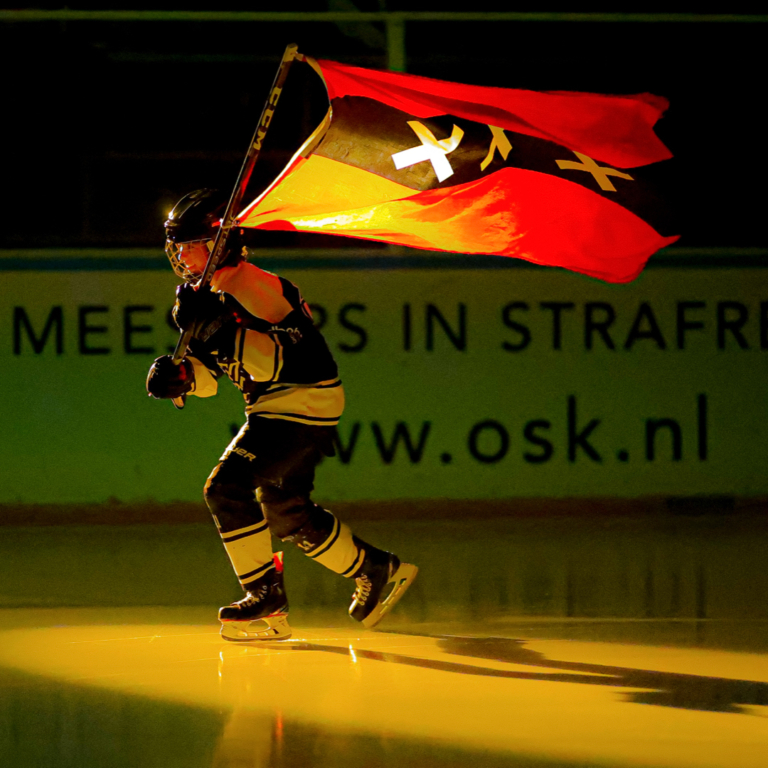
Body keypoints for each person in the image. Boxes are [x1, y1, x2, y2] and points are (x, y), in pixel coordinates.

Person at [146, 188, 417, 641]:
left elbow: (275, 362)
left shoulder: (254, 286)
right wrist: (182, 377)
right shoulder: (206, 295)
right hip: (280, 405)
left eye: (193, 243)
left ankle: (265, 597)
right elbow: (215, 376)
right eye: (179, 246)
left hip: (301, 400)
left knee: (227, 489)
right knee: (285, 510)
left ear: (221, 242)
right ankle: (375, 566)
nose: (184, 254)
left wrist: (212, 329)